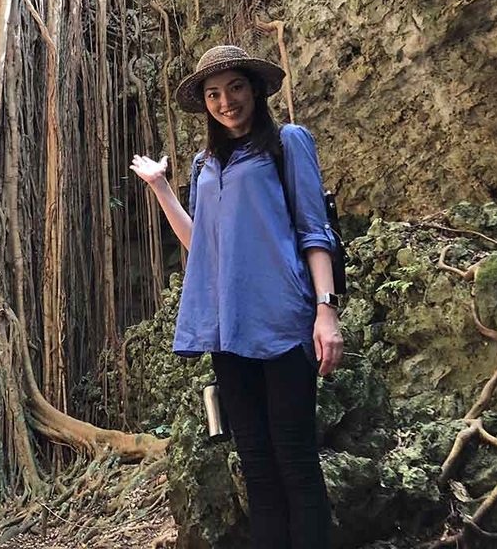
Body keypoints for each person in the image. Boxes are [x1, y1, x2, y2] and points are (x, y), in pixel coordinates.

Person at [130, 44, 342, 549]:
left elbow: (315, 233)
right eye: (214, 93)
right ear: (204, 103)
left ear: (256, 88)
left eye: (236, 87)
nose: (226, 101)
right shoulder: (206, 163)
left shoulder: (288, 143)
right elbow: (202, 243)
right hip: (229, 330)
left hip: (285, 321)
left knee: (295, 458)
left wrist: (325, 312)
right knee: (255, 463)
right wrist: (161, 187)